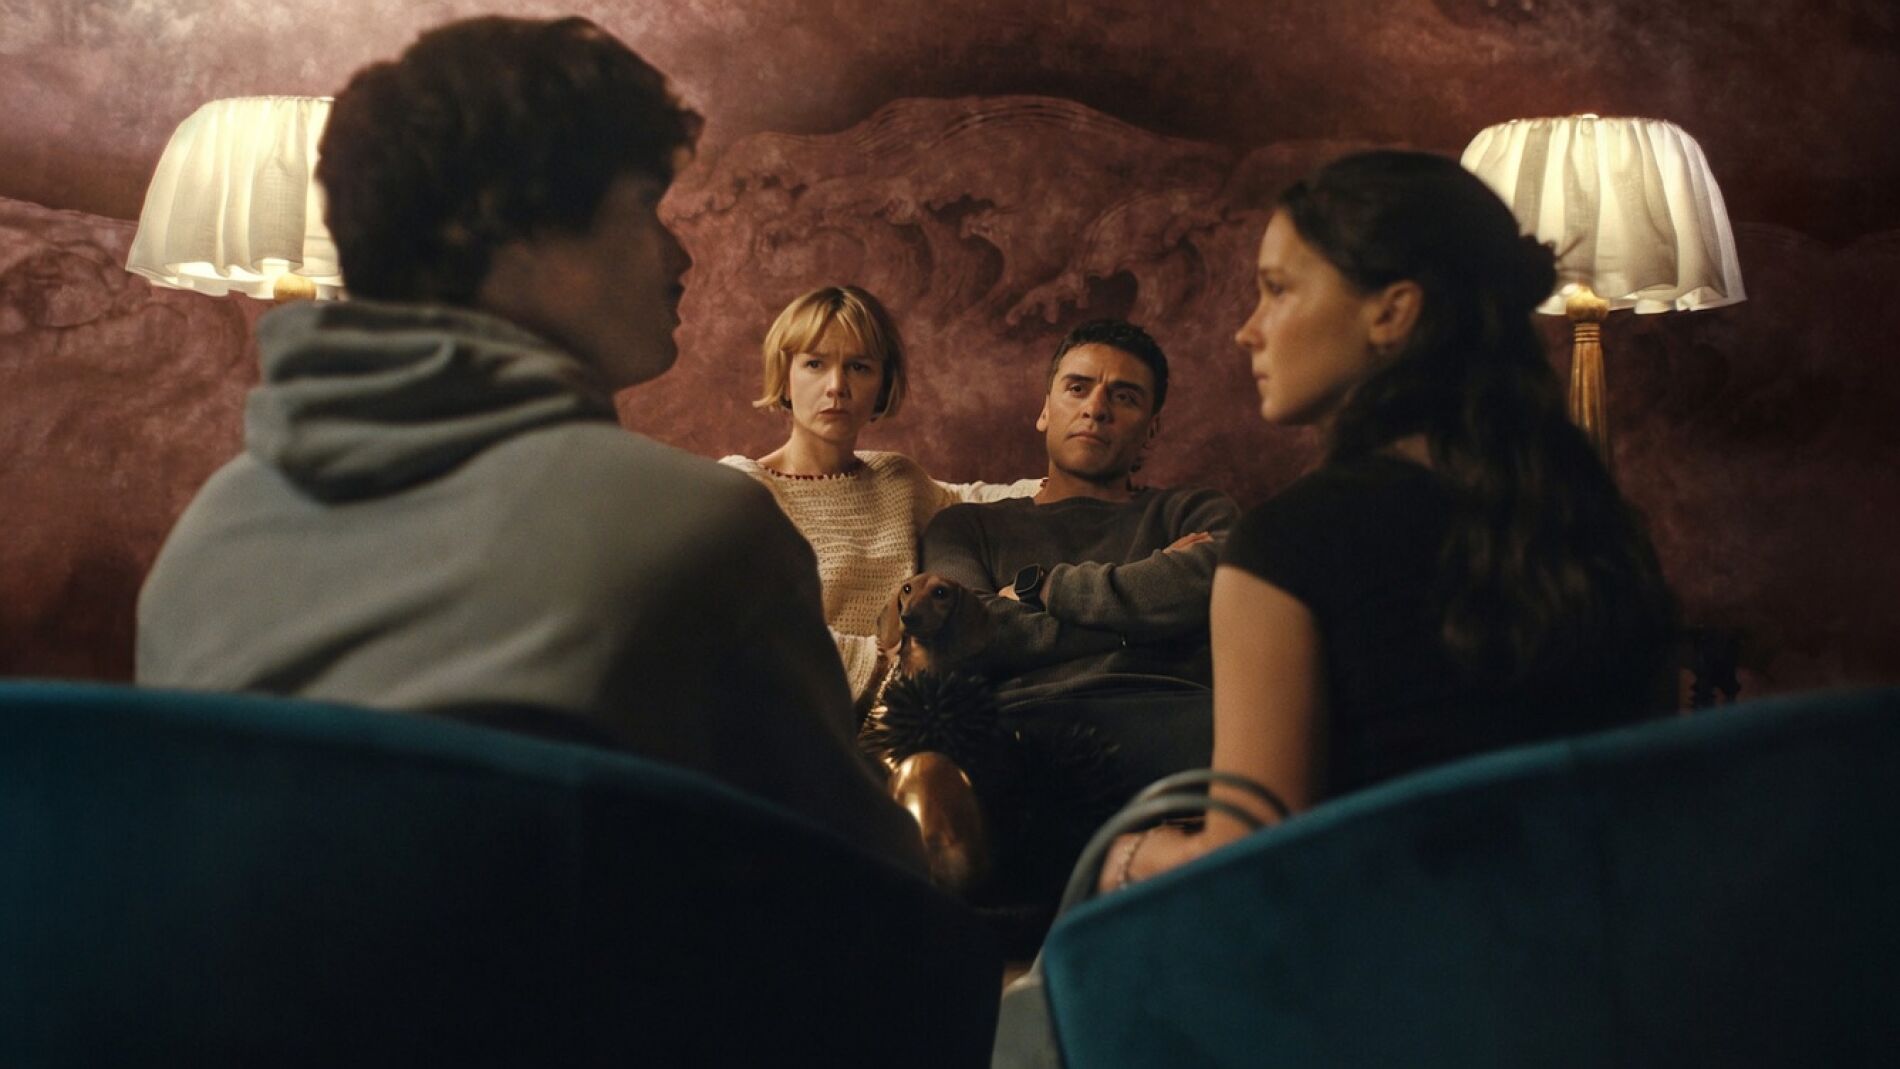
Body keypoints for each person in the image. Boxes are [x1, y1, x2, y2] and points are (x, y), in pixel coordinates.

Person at [135, 16, 925, 874]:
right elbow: (863, 889)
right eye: (644, 207)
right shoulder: (701, 528)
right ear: (512, 238)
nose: (680, 254)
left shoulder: (202, 540)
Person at [1103, 149, 1674, 889]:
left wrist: (1129, 856)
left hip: (1391, 954)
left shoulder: (1287, 545)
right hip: (1601, 946)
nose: (1248, 330)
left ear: (1392, 311)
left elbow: (1253, 875)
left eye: (1277, 290)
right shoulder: (1603, 527)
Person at [914, 318, 1240, 907]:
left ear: (1151, 429)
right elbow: (964, 634)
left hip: (1179, 724)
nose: (1096, 408)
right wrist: (1145, 613)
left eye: (1125, 396)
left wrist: (1037, 590)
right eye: (1077, 387)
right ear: (1045, 409)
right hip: (1027, 736)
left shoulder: (1196, 512)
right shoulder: (967, 526)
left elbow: (1212, 587)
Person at [719, 285, 1037, 704]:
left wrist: (1071, 479)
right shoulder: (742, 489)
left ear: (883, 385)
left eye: (859, 367)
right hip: (794, 712)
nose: (837, 386)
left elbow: (978, 500)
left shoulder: (898, 480)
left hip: (910, 716)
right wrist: (896, 660)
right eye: (815, 364)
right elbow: (756, 632)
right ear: (786, 376)